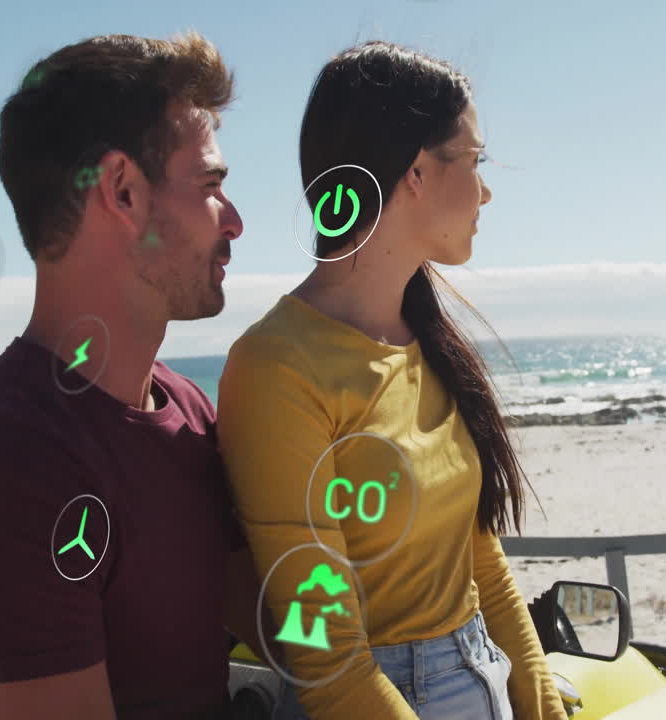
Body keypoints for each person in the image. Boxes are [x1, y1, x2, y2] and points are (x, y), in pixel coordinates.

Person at [0, 32, 262, 720]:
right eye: (212, 185)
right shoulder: (7, 471)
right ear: (123, 191)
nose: (237, 220)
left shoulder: (185, 409)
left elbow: (285, 629)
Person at [217, 41, 566, 719]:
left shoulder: (427, 339)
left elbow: (478, 561)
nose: (487, 189)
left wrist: (542, 701)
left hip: (480, 677)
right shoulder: (277, 367)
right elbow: (328, 660)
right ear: (413, 172)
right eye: (474, 160)